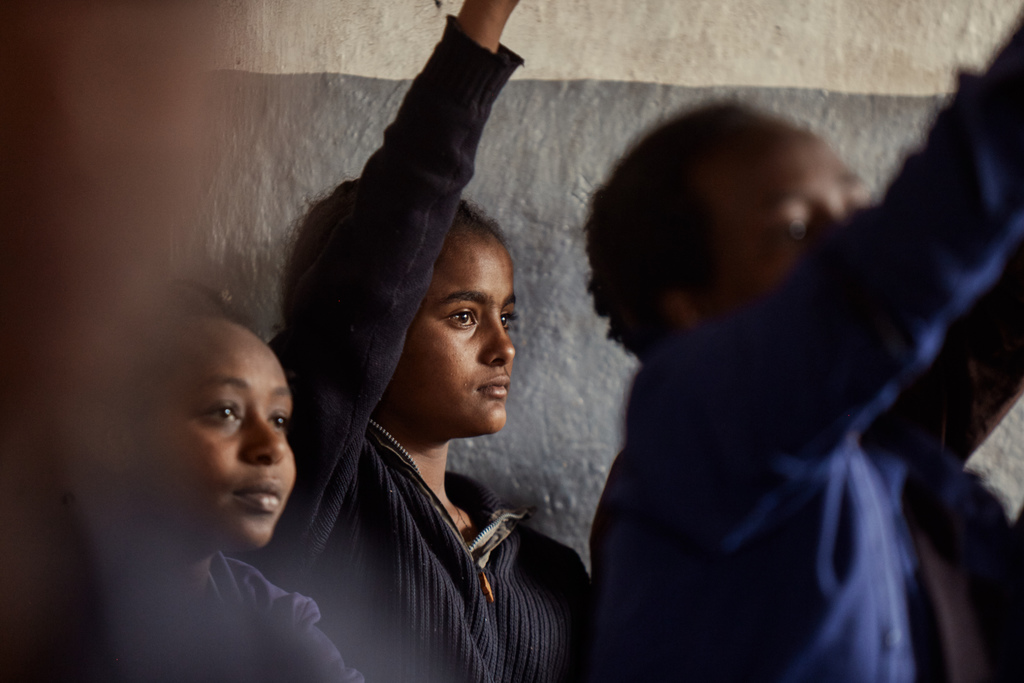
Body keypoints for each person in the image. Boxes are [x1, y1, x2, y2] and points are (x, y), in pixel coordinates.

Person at [583, 16, 1024, 683]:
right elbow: (904, 269)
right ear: (690, 309)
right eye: (794, 228)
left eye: (856, 205)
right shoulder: (693, 435)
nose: (846, 240)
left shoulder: (891, 468)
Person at [256, 3, 590, 682]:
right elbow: (389, 242)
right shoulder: (326, 491)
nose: (503, 347)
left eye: (508, 316)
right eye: (464, 316)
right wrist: (483, 24)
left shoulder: (550, 574)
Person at [94, 289, 364, 683]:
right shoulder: (43, 616)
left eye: (278, 419)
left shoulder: (277, 617)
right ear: (116, 438)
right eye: (225, 412)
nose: (271, 447)